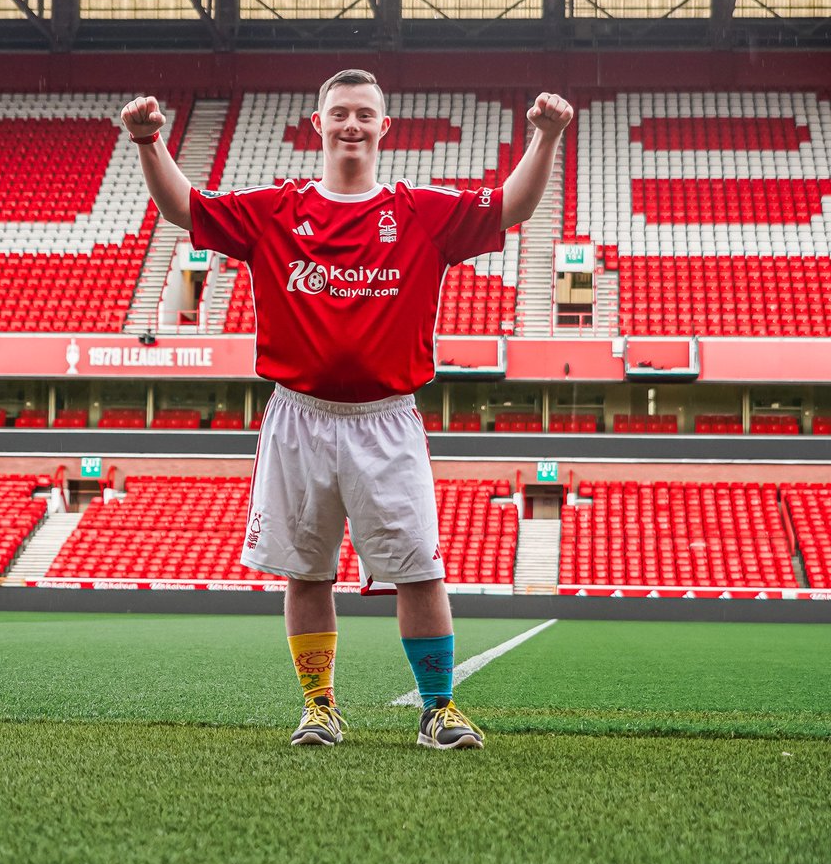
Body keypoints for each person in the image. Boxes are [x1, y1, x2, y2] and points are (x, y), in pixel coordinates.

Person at [121, 70, 572, 750]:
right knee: (308, 569)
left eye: (365, 114)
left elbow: (511, 205)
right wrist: (149, 142)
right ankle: (319, 705)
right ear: (318, 122)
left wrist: (545, 136)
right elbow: (185, 208)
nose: (353, 125)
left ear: (384, 127)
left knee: (419, 566)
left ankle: (438, 708)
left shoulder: (421, 210)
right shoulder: (275, 208)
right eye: (341, 114)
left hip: (387, 418)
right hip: (299, 414)